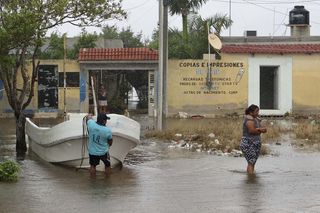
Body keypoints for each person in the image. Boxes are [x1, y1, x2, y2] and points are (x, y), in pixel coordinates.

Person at [239, 104, 267, 175]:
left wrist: (262, 128)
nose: (258, 113)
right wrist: (260, 129)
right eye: (256, 111)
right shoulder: (249, 119)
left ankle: (251, 179)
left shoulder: (256, 118)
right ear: (251, 112)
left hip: (255, 143)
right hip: (248, 143)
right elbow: (251, 131)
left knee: (252, 162)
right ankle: (250, 179)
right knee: (251, 162)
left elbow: (261, 129)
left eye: (258, 111)